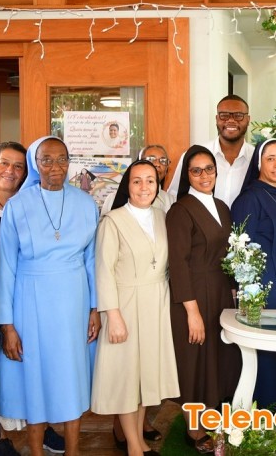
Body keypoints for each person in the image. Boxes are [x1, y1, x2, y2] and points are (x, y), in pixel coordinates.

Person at [0, 136, 101, 456]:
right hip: (30, 300)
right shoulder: (17, 206)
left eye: (62, 159)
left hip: (74, 301)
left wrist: (95, 308)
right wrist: (7, 325)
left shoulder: (86, 204)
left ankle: (73, 450)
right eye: (47, 160)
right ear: (34, 163)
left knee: (71, 375)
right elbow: (6, 268)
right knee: (35, 377)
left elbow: (92, 261)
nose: (56, 167)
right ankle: (37, 451)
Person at [0, 142, 65, 455]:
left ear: (27, 173)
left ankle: (42, 428)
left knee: (31, 370)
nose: (10, 171)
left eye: (18, 166)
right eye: (4, 164)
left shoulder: (35, 205)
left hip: (27, 304)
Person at [92, 160, 179, 456]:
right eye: (137, 181)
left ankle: (139, 439)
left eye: (150, 181)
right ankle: (133, 446)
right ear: (127, 185)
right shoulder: (113, 221)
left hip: (157, 303)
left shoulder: (162, 216)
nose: (144, 187)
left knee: (145, 377)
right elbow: (104, 271)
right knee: (127, 378)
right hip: (125, 306)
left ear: (158, 185)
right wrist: (112, 315)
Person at [166, 145, 241, 453]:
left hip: (220, 294)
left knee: (217, 360)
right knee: (195, 362)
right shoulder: (180, 210)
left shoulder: (222, 207)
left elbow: (229, 253)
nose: (204, 175)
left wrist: (235, 291)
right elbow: (178, 263)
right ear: (187, 175)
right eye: (196, 171)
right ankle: (193, 430)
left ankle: (212, 422)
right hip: (193, 296)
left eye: (209, 169)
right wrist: (191, 312)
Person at [231, 139, 276, 409]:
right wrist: (250, 294)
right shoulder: (249, 199)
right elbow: (240, 251)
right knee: (268, 354)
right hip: (264, 291)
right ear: (259, 162)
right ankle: (265, 414)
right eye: (270, 158)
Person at [168, 94, 255, 207]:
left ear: (248, 119)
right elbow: (174, 197)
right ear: (217, 119)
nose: (231, 120)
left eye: (238, 115)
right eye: (224, 115)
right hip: (201, 219)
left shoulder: (258, 159)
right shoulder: (193, 156)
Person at [101, 144, 175, 217]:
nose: (157, 164)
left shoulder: (171, 200)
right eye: (151, 159)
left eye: (163, 161)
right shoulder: (113, 199)